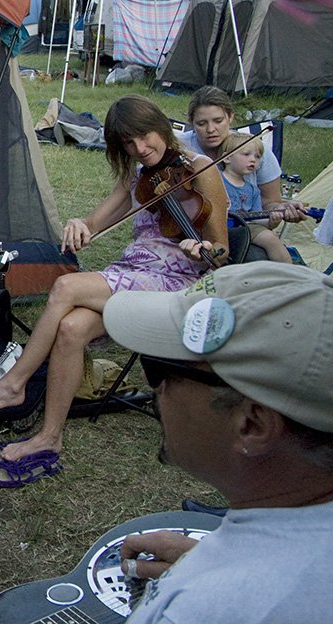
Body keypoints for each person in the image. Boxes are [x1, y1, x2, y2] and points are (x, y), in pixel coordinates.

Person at [0, 94, 228, 486]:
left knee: (66, 286)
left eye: (145, 137)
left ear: (161, 125)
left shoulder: (201, 169)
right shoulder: (140, 176)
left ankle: (13, 385)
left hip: (179, 283)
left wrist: (202, 248)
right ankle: (50, 439)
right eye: (129, 145)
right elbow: (94, 222)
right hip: (135, 272)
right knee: (71, 329)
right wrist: (77, 224)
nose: (141, 149)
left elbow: (221, 251)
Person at [102, 262, 333, 624]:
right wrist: (211, 562)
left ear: (252, 424)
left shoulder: (202, 610)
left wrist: (214, 587)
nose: (155, 389)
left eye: (160, 368)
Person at [183, 85, 307, 226]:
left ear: (230, 117)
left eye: (218, 121)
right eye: (201, 123)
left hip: (244, 230)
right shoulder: (180, 146)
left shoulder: (255, 149)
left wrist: (280, 209)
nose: (211, 129)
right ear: (191, 123)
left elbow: (270, 202)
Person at [220, 133, 291, 263]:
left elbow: (255, 218)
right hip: (217, 227)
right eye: (246, 154)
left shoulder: (253, 190)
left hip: (243, 227)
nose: (253, 159)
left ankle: (290, 275)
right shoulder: (216, 179)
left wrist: (270, 222)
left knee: (271, 239)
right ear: (227, 158)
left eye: (257, 157)